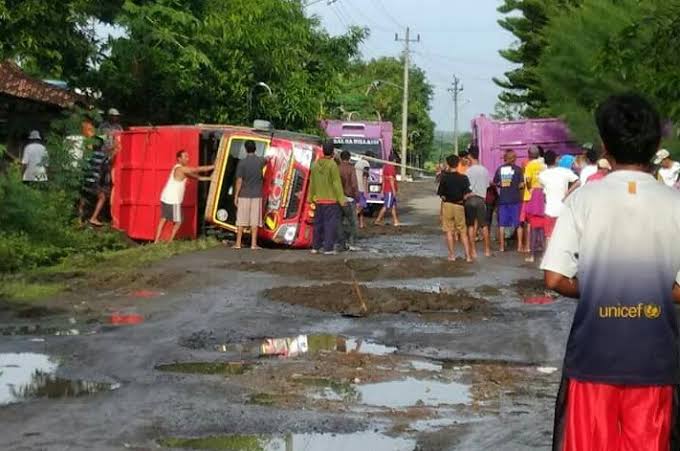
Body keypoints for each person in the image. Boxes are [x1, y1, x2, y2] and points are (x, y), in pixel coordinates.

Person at [542, 93, 680, 451]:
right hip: (656, 361)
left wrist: (602, 287)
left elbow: (555, 278)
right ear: (657, 145)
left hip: (593, 358)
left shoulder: (583, 200)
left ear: (605, 145)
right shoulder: (675, 204)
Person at [154, 150, 214, 243]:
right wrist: (213, 166)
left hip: (165, 197)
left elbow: (195, 177)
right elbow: (197, 169)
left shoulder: (179, 168)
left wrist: (209, 178)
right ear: (179, 158)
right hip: (173, 199)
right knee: (179, 221)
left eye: (187, 156)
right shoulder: (181, 169)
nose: (187, 158)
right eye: (185, 157)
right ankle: (170, 241)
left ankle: (156, 241)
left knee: (164, 219)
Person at [308, 142, 346, 255]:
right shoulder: (332, 165)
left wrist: (310, 198)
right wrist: (342, 200)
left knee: (318, 224)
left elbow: (312, 184)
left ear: (323, 151)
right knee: (330, 225)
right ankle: (328, 248)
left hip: (318, 200)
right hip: (331, 200)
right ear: (333, 152)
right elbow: (336, 184)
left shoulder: (315, 165)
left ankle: (315, 247)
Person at [438, 155, 473, 262]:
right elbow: (468, 193)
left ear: (448, 164)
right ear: (458, 164)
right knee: (463, 231)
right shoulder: (463, 178)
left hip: (447, 205)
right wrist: (463, 197)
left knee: (449, 231)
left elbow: (441, 195)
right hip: (459, 205)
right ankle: (468, 256)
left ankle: (452, 255)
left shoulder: (444, 178)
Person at [538, 150, 579, 242]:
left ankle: (550, 256)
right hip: (563, 210)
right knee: (565, 237)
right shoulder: (564, 171)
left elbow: (543, 190)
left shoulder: (542, 175)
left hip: (549, 210)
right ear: (556, 160)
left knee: (549, 237)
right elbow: (578, 181)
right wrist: (567, 193)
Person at [233, 140, 266, 250]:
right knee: (254, 221)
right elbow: (269, 158)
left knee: (241, 220)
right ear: (255, 148)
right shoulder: (260, 161)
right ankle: (253, 244)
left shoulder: (242, 163)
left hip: (244, 194)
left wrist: (236, 196)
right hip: (256, 194)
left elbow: (239, 180)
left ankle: (238, 243)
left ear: (245, 149)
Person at [493, 150, 524, 252]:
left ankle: (502, 247)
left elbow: (495, 183)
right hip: (515, 200)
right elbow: (521, 185)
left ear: (505, 158)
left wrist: (500, 185)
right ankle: (519, 246)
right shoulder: (519, 170)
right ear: (514, 158)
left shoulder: (500, 169)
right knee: (518, 224)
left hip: (503, 200)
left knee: (502, 224)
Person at [464, 146, 491, 257]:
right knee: (483, 225)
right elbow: (487, 186)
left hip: (470, 200)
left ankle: (473, 251)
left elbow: (465, 187)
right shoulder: (484, 170)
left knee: (470, 226)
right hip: (480, 200)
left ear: (470, 156)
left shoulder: (468, 171)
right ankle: (487, 250)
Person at [79, 136, 112, 226]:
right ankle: (93, 218)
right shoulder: (102, 155)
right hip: (94, 180)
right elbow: (107, 166)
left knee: (83, 198)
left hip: (85, 179)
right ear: (101, 146)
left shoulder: (87, 155)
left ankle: (79, 220)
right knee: (102, 197)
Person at [519, 146, 545, 254]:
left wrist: (528, 190)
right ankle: (541, 246)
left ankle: (529, 247)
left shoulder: (529, 165)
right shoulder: (543, 165)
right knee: (540, 221)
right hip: (541, 194)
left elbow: (528, 181)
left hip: (530, 196)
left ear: (529, 154)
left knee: (529, 222)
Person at [337, 150, 359, 251]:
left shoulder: (337, 168)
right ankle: (352, 243)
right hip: (350, 199)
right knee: (353, 222)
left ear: (341, 158)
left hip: (339, 198)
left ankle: (341, 243)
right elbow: (354, 184)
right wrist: (357, 197)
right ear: (349, 158)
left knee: (339, 222)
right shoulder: (351, 168)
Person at [374, 154, 400, 226]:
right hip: (389, 191)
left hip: (387, 189)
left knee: (393, 206)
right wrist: (394, 191)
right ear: (394, 160)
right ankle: (378, 220)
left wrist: (382, 189)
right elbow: (391, 180)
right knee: (386, 206)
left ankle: (395, 221)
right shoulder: (391, 167)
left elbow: (383, 179)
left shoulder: (385, 166)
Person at [354, 155, 370, 229]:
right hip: (361, 188)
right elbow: (365, 177)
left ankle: (361, 223)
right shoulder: (366, 164)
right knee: (361, 206)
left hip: (355, 187)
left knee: (359, 206)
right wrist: (366, 190)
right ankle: (353, 218)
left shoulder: (357, 163)